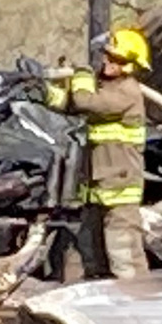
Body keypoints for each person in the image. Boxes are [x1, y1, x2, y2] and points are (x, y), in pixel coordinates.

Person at [50, 24, 150, 279]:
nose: (107, 61)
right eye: (107, 55)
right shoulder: (107, 88)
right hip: (98, 187)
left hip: (119, 188)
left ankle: (137, 302)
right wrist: (55, 92)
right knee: (92, 252)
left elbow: (87, 101)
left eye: (115, 59)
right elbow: (76, 106)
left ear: (129, 64)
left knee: (124, 253)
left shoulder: (128, 92)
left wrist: (81, 76)